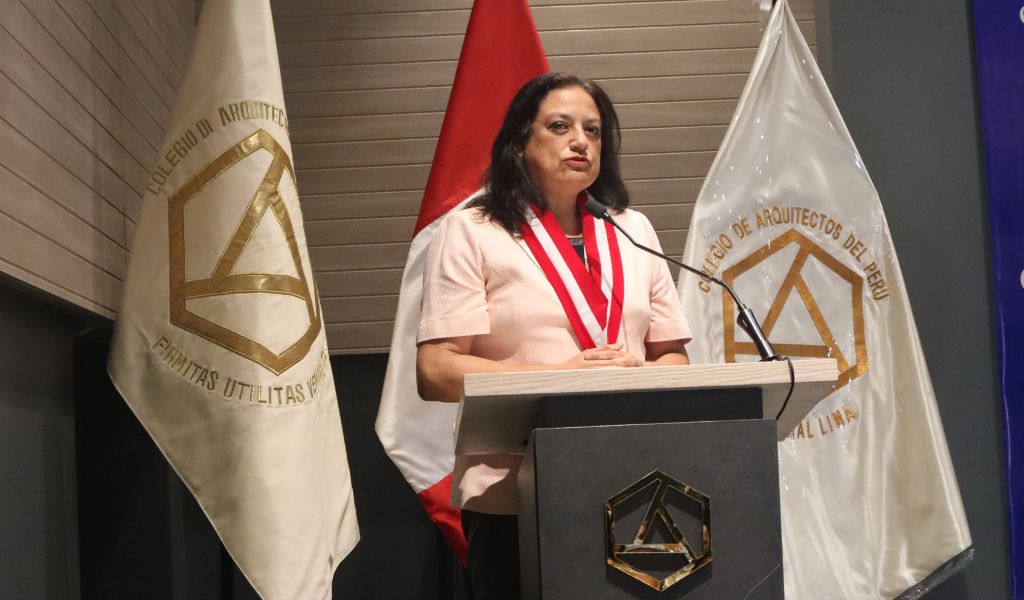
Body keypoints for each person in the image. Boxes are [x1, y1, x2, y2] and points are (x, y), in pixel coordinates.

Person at [415, 72, 692, 599]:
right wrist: (559, 379)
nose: (580, 141)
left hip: (636, 482)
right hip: (514, 492)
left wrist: (635, 373)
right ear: (520, 142)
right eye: (560, 126)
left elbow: (673, 358)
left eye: (593, 130)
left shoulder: (633, 230)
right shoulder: (473, 231)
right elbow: (436, 370)